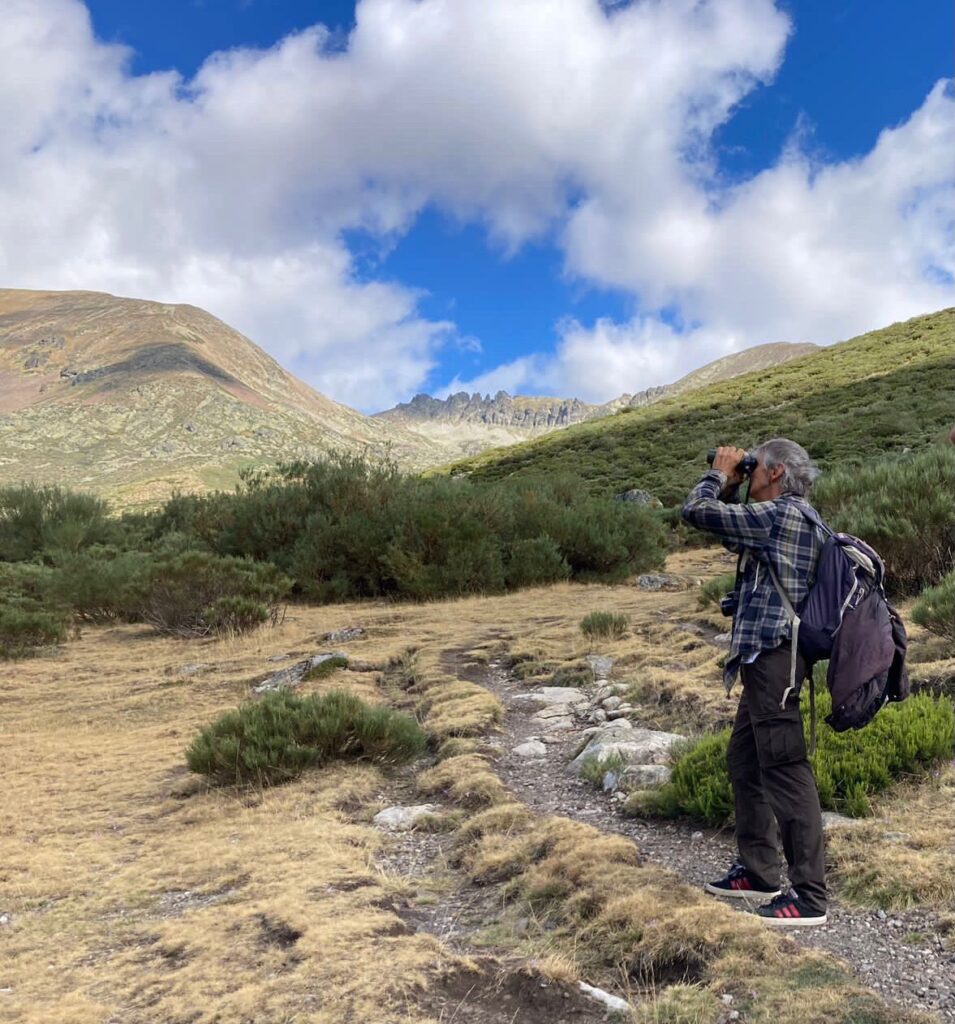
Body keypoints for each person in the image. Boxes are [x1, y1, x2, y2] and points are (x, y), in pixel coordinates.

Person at [681, 438, 828, 928]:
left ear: (778, 472)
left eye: (756, 467)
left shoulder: (786, 517)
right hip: (760, 660)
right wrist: (735, 489)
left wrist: (720, 477)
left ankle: (809, 896)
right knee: (745, 761)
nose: (751, 472)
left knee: (785, 767)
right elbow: (728, 531)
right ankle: (761, 871)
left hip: (775, 661)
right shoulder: (776, 520)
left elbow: (697, 513)